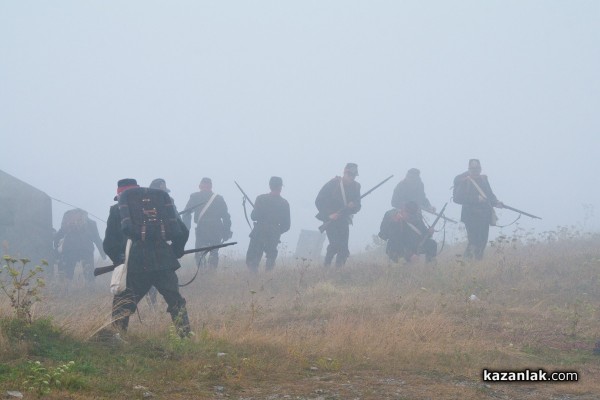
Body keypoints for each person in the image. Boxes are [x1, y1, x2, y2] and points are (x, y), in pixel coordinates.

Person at [103, 178, 191, 337]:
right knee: (176, 302)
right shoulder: (160, 206)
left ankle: (118, 337)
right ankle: (185, 336)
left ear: (120, 195)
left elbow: (109, 244)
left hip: (136, 265)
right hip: (164, 261)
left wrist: (120, 261)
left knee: (122, 303)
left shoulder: (117, 210)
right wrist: (175, 252)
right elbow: (182, 231)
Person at [453, 159, 503, 260]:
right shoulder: (465, 181)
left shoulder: (484, 180)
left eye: (477, 168)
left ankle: (477, 263)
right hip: (470, 217)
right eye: (473, 168)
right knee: (473, 242)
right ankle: (465, 263)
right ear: (469, 169)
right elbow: (457, 198)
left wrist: (496, 202)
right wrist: (476, 199)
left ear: (480, 168)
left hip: (484, 216)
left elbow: (489, 195)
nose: (475, 170)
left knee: (483, 241)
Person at [315, 163, 361, 267]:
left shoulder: (356, 187)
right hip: (331, 220)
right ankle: (326, 266)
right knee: (335, 245)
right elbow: (318, 201)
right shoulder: (333, 184)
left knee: (344, 249)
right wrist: (329, 215)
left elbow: (358, 206)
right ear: (345, 172)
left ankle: (338, 271)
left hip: (344, 220)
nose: (351, 178)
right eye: (350, 175)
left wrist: (353, 206)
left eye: (353, 176)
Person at [181, 177, 232, 268]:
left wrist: (185, 228)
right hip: (216, 228)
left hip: (202, 228)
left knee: (200, 252)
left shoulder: (195, 196)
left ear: (200, 186)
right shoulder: (218, 198)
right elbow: (226, 217)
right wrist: (226, 231)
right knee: (214, 252)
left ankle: (202, 272)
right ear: (211, 186)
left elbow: (186, 213)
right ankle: (211, 273)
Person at [245, 176, 290, 272]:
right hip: (274, 233)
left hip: (259, 231)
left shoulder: (261, 199)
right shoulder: (284, 203)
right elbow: (287, 225)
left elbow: (253, 216)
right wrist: (277, 231)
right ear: (280, 187)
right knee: (271, 257)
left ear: (270, 186)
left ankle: (253, 278)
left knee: (253, 259)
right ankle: (267, 277)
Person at [54, 208, 106, 282]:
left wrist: (56, 250)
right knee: (89, 274)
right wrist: (103, 254)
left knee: (67, 274)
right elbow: (97, 239)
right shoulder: (91, 223)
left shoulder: (68, 223)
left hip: (69, 250)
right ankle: (90, 290)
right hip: (86, 250)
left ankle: (64, 290)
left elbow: (59, 236)